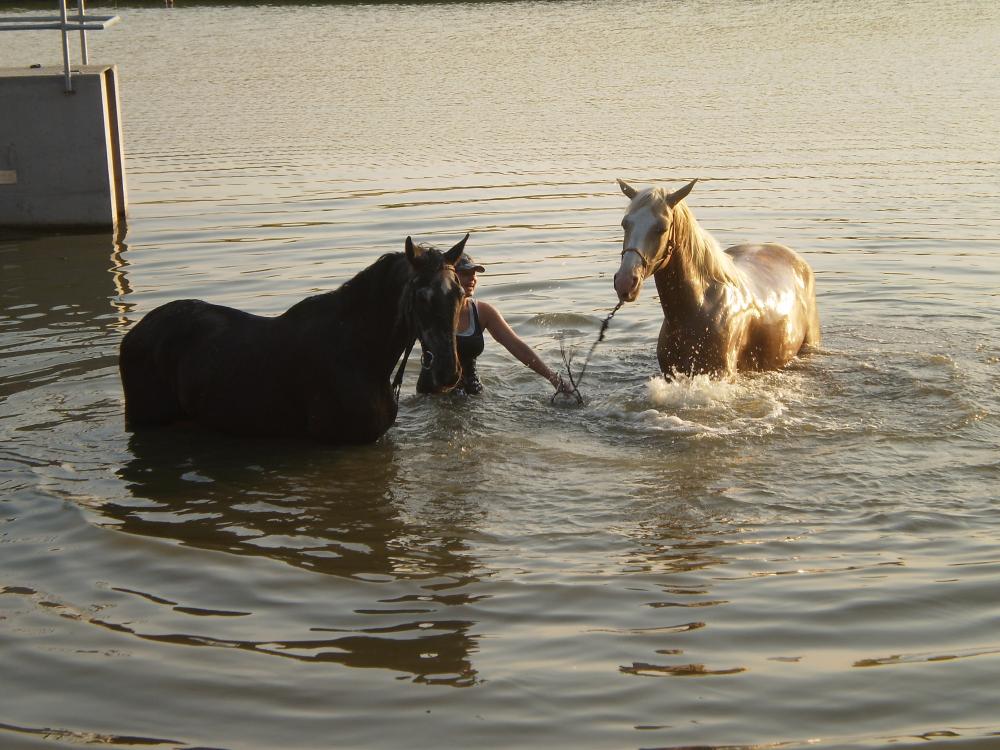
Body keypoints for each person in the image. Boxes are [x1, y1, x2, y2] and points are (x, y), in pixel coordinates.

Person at [418, 252, 573, 396]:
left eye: (474, 274)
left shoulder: (483, 312)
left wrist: (554, 379)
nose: (472, 278)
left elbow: (516, 346)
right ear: (449, 277)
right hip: (431, 396)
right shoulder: (428, 312)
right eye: (465, 274)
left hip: (471, 396)